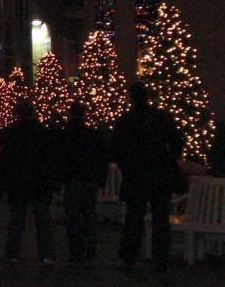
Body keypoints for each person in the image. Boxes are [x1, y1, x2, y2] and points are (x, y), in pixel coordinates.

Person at [111, 80, 183, 273]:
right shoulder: (161, 118)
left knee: (134, 218)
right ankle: (160, 258)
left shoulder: (126, 121)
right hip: (159, 175)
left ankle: (129, 256)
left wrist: (126, 166)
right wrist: (167, 159)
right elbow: (177, 144)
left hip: (136, 176)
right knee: (160, 218)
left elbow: (116, 148)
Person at [0, 99, 56, 267]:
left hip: (18, 182)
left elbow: (5, 161)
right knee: (42, 221)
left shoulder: (10, 133)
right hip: (39, 182)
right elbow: (49, 159)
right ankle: (46, 255)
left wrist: (4, 182)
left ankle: (12, 253)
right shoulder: (42, 132)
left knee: (16, 220)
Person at [57, 101, 108, 268]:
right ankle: (90, 247)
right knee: (89, 215)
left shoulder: (65, 135)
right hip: (89, 180)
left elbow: (60, 159)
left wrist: (59, 179)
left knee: (73, 218)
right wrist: (101, 180)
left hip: (72, 180)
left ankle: (75, 252)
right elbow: (101, 158)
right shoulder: (92, 134)